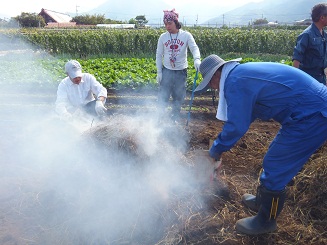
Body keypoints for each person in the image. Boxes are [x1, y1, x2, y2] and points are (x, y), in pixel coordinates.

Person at [194, 54, 327, 235]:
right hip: (305, 111)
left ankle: (266, 221)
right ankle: (261, 202)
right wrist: (220, 147)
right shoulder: (239, 75)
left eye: (210, 82)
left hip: (313, 115)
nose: (212, 87)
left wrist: (215, 151)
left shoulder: (235, 82)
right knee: (272, 155)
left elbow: (237, 126)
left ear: (216, 74)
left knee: (276, 164)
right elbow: (245, 115)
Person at [156, 8, 201, 122]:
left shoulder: (186, 35)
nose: (167, 26)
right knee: (163, 96)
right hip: (167, 70)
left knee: (178, 97)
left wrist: (196, 59)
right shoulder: (163, 37)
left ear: (176, 22)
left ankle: (174, 119)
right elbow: (158, 55)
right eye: (165, 24)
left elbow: (194, 48)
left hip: (181, 71)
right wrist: (159, 72)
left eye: (169, 23)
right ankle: (159, 119)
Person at [292, 3, 327, 84]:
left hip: (321, 79)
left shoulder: (324, 35)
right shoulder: (307, 35)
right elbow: (296, 59)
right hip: (308, 80)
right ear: (322, 17)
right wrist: (297, 81)